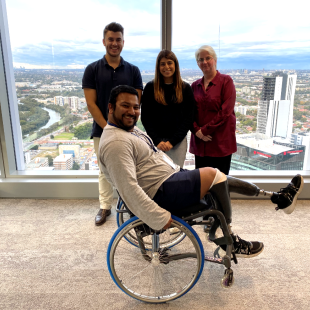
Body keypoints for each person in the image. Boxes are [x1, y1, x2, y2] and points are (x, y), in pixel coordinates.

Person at [99, 85, 304, 258]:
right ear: (110, 107)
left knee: (219, 179)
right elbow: (128, 189)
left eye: (135, 107)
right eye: (125, 106)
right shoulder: (116, 142)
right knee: (214, 175)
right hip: (159, 191)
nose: (132, 111)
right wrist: (157, 217)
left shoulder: (126, 131)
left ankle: (277, 197)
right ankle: (228, 241)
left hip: (166, 178)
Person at [82, 22, 143, 226]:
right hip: (102, 129)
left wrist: (124, 126)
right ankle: (105, 206)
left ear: (123, 42)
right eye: (111, 39)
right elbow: (91, 104)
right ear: (104, 41)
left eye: (118, 40)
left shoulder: (133, 71)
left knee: (130, 169)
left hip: (129, 131)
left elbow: (136, 103)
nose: (114, 43)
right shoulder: (92, 70)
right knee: (103, 169)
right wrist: (109, 127)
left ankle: (132, 204)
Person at [141, 50, 195, 167]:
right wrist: (157, 141)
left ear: (175, 65)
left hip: (178, 143)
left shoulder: (185, 88)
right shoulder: (150, 88)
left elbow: (189, 118)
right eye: (162, 64)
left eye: (169, 63)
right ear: (158, 67)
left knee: (175, 177)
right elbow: (145, 117)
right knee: (155, 178)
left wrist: (172, 141)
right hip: (155, 143)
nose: (166, 67)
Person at [190, 45, 236, 175]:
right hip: (201, 143)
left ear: (215, 60)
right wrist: (196, 131)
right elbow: (189, 112)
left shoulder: (226, 81)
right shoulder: (194, 86)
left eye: (207, 58)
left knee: (220, 183)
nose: (204, 62)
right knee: (202, 184)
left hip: (220, 142)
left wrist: (203, 131)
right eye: (200, 59)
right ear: (197, 63)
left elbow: (226, 111)